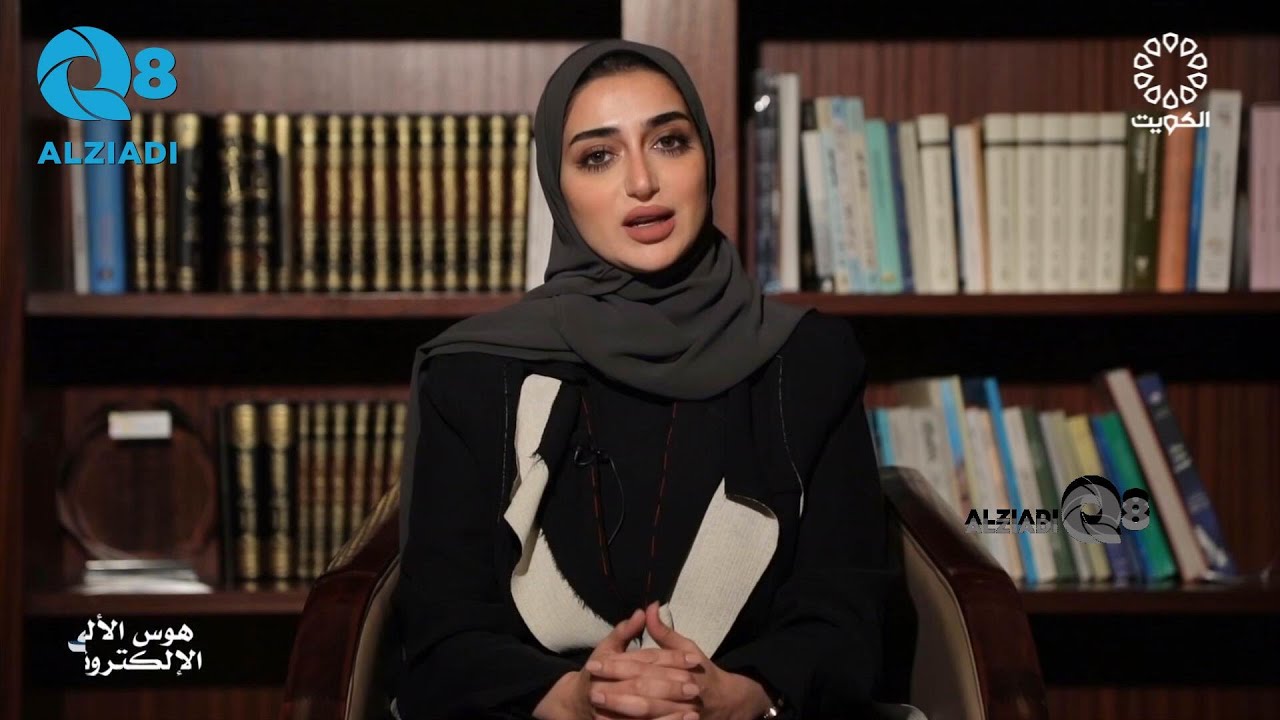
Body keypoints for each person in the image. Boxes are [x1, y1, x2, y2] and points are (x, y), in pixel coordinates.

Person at [392, 38, 893, 720]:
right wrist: (576, 699)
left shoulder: (808, 358)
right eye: (598, 156)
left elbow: (848, 611)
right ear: (557, 188)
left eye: (669, 142)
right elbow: (441, 633)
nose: (641, 182)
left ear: (706, 158)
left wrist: (741, 696)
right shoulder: (473, 373)